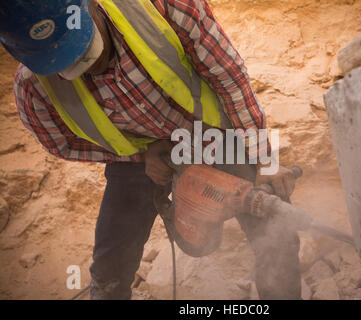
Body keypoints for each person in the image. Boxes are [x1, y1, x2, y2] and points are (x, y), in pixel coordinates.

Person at [1, 0, 301, 299]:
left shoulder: (165, 6)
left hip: (213, 136)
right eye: (66, 63)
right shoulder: (32, 88)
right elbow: (60, 143)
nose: (89, 64)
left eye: (85, 44)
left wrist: (263, 160)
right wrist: (140, 155)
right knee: (110, 262)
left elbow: (230, 77)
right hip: (139, 154)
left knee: (276, 230)